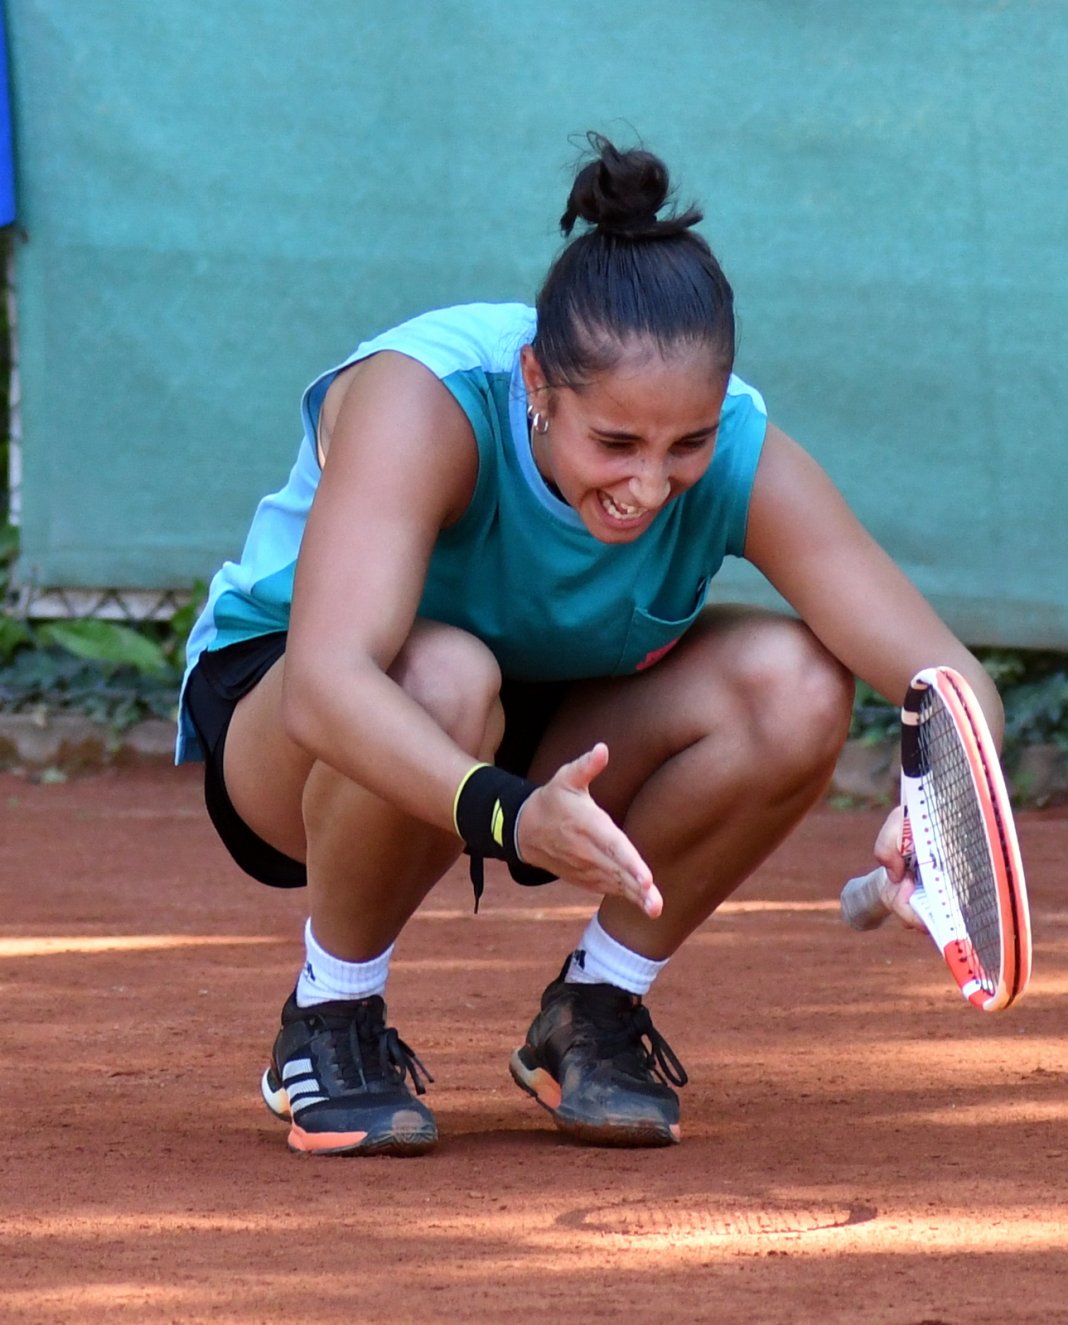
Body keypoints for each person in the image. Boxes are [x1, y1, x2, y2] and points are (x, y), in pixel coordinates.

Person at [177, 133, 1003, 1156]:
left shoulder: (739, 445)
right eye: (613, 442)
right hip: (301, 722)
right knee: (442, 673)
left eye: (684, 444)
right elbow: (328, 683)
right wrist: (513, 816)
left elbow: (944, 676)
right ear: (535, 381)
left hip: (538, 721)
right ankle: (331, 1011)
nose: (650, 484)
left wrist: (943, 800)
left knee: (789, 683)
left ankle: (594, 1011)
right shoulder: (422, 400)